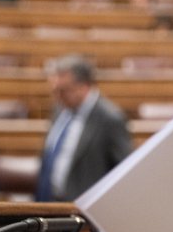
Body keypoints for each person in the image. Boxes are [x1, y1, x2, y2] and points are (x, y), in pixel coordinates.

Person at [35, 55, 132, 202]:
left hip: (83, 210)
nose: (58, 97)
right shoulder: (60, 109)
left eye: (63, 90)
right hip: (49, 203)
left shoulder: (110, 119)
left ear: (84, 86)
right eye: (55, 90)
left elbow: (123, 170)